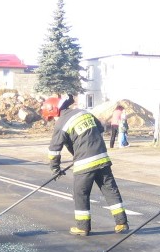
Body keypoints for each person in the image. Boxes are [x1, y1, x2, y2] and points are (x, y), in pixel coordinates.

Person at [43, 94, 129, 236]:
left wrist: (55, 168)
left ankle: (83, 227)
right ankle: (121, 223)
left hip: (84, 162)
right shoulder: (83, 113)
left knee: (80, 193)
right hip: (102, 157)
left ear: (54, 112)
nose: (53, 121)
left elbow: (54, 151)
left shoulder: (61, 123)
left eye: (52, 118)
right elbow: (100, 129)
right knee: (110, 190)